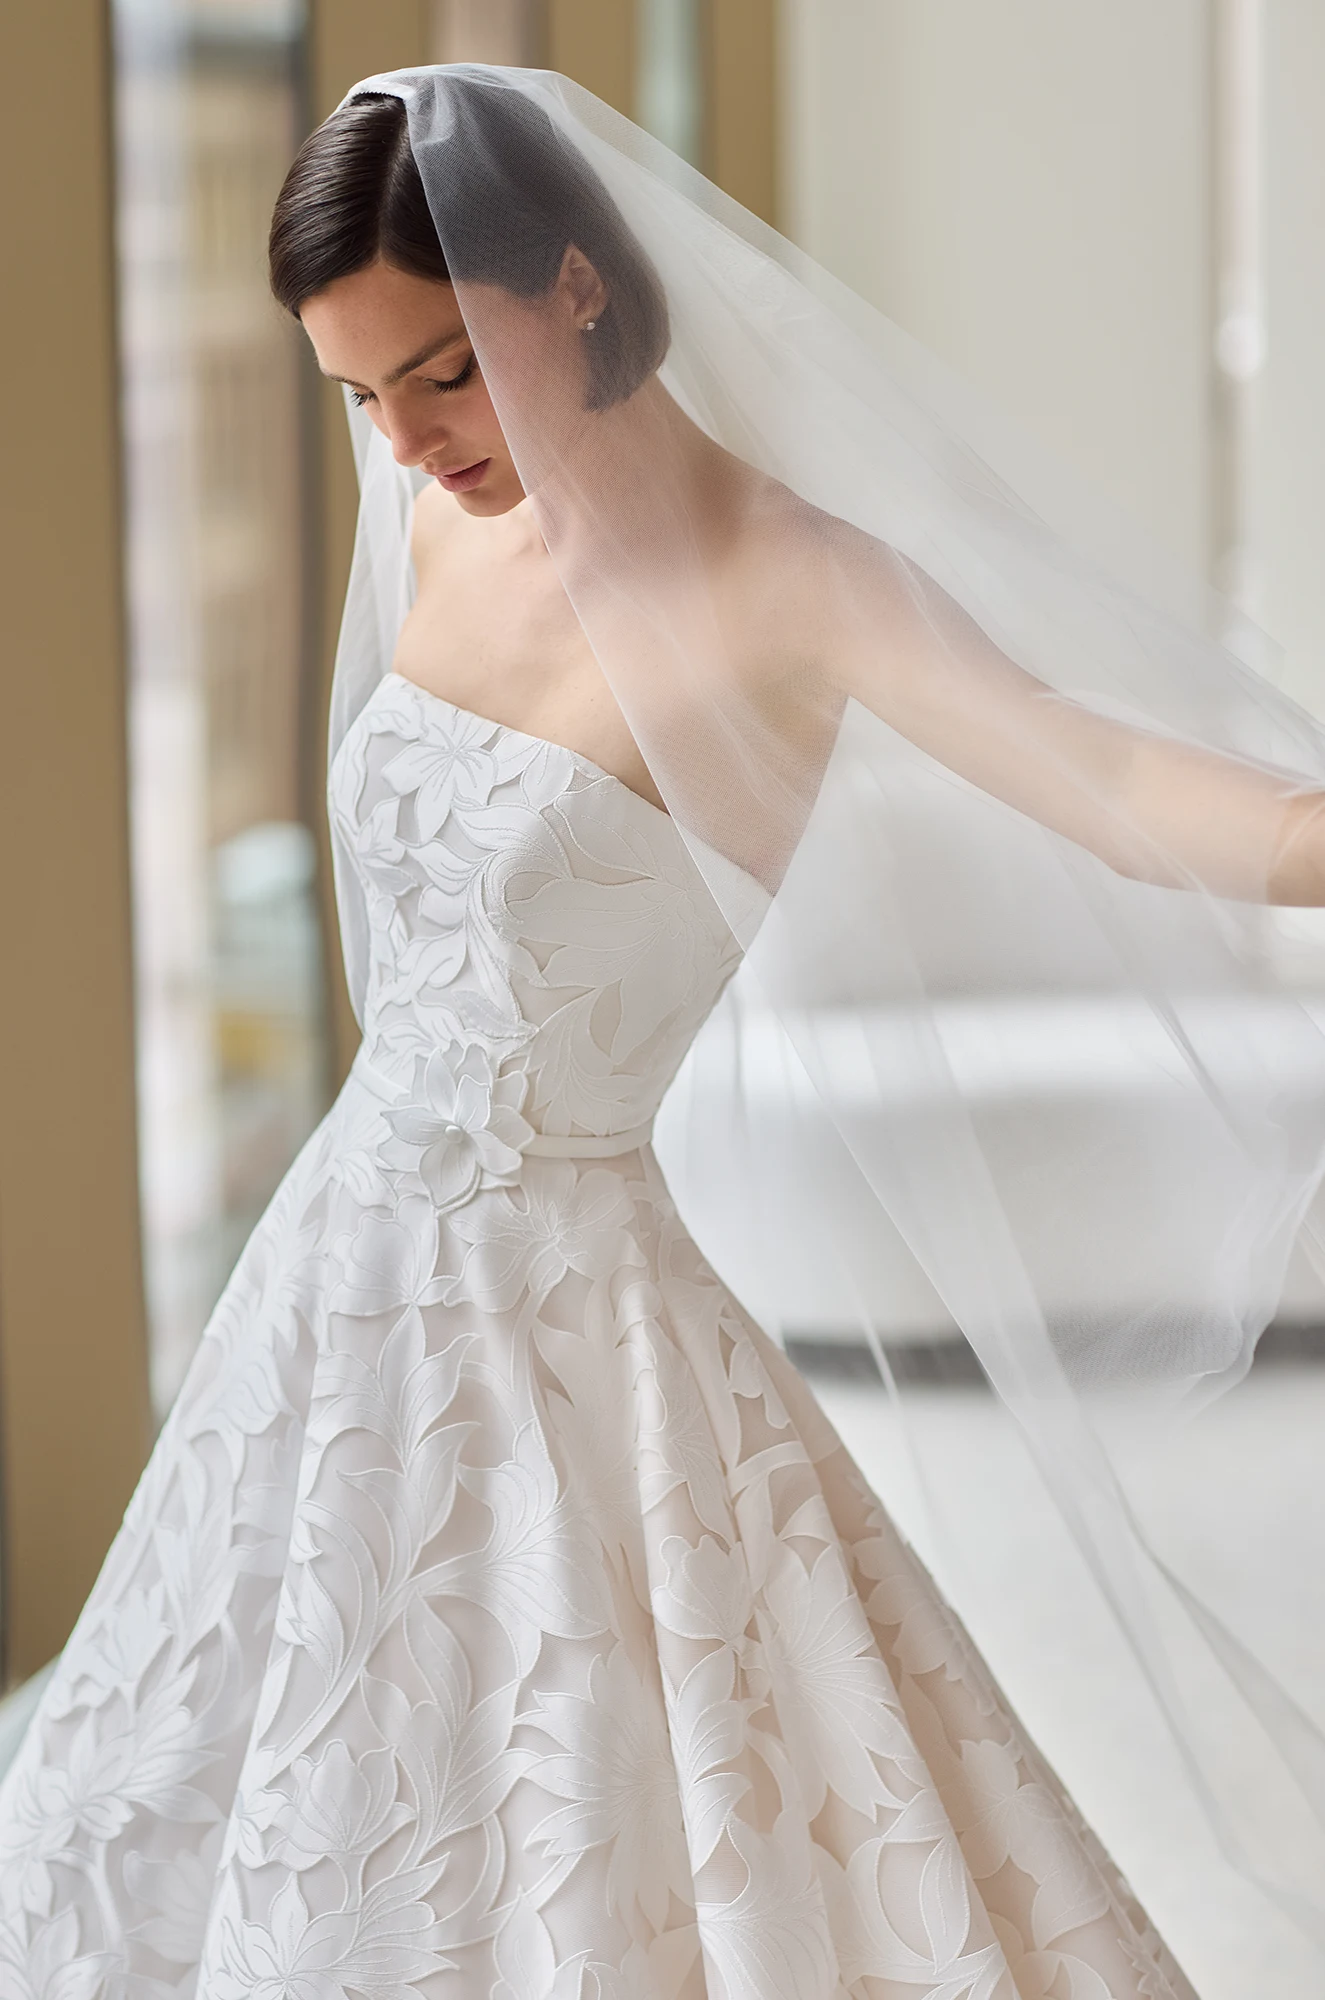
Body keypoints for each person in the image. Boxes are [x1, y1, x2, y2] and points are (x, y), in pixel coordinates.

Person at [3, 62, 1325, 1997]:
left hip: (576, 1310)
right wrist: (432, 436)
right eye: (360, 397)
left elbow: (1112, 777)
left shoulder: (792, 585)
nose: (409, 443)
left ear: (578, 284)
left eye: (443, 370)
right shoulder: (447, 527)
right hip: (336, 1274)